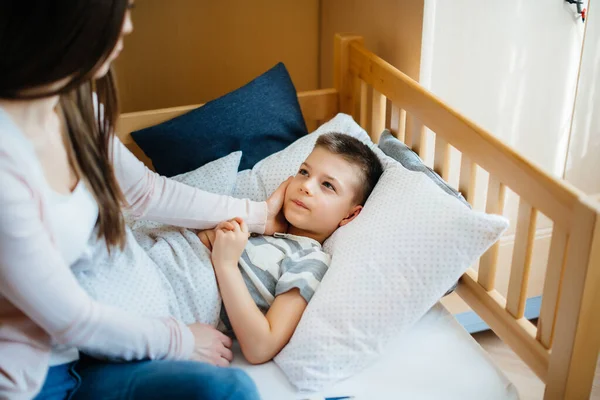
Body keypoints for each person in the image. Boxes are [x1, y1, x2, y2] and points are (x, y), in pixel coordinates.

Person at [0, 1, 288, 399]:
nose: (129, 27)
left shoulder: (75, 104)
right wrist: (181, 341)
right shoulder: (6, 161)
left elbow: (147, 192)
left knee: (230, 389)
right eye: (121, 10)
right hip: (36, 380)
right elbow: (72, 321)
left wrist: (256, 214)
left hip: (93, 355)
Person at [199, 133, 384, 363]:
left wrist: (226, 265)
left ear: (350, 214)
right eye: (304, 172)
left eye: (327, 185)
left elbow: (261, 347)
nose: (305, 186)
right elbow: (199, 240)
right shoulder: (260, 227)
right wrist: (259, 222)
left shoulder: (310, 260)